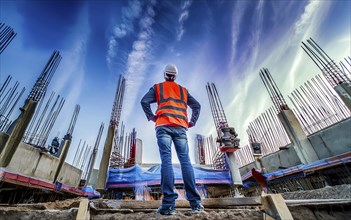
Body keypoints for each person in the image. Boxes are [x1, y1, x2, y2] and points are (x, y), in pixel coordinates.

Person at [140, 64, 204, 215]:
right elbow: (197, 106)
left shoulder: (157, 87)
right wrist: (192, 121)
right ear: (175, 76)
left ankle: (168, 205)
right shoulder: (183, 91)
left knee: (166, 161)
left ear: (165, 75)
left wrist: (151, 116)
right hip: (181, 127)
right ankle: (195, 204)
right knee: (185, 162)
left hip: (163, 126)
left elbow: (144, 101)